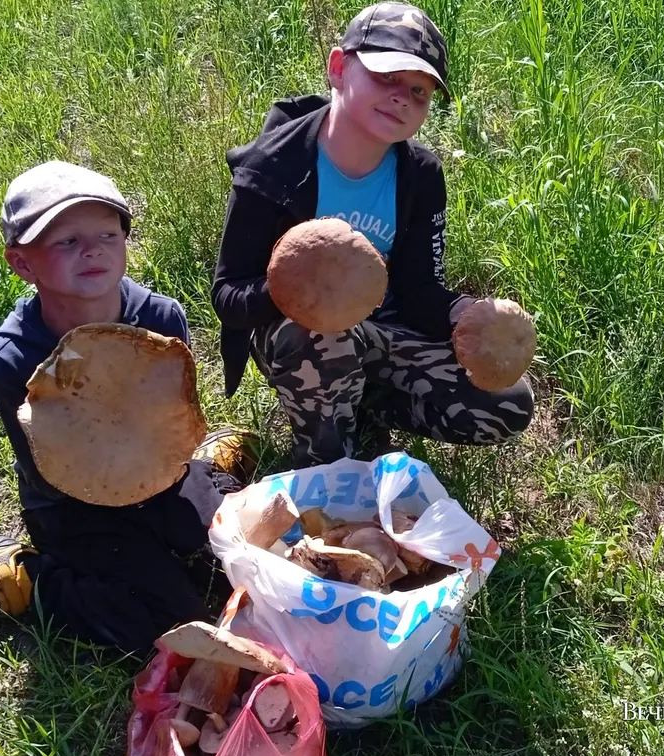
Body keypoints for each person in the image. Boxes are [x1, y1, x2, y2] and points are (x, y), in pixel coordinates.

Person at [0, 161, 257, 657]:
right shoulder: (13, 357)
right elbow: (52, 473)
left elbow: (172, 411)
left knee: (247, 564)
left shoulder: (161, 319)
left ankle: (208, 466)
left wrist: (175, 462)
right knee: (172, 627)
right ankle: (28, 579)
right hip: (77, 507)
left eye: (107, 232)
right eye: (66, 241)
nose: (92, 249)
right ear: (23, 264)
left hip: (161, 476)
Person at [211, 2, 535, 470]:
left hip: (383, 329)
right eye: (386, 76)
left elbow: (418, 289)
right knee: (321, 336)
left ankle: (361, 406)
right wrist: (297, 288)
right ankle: (326, 465)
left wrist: (463, 312)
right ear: (338, 68)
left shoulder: (419, 175)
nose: (402, 97)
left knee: (507, 404)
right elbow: (227, 295)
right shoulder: (273, 169)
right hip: (296, 336)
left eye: (419, 91)